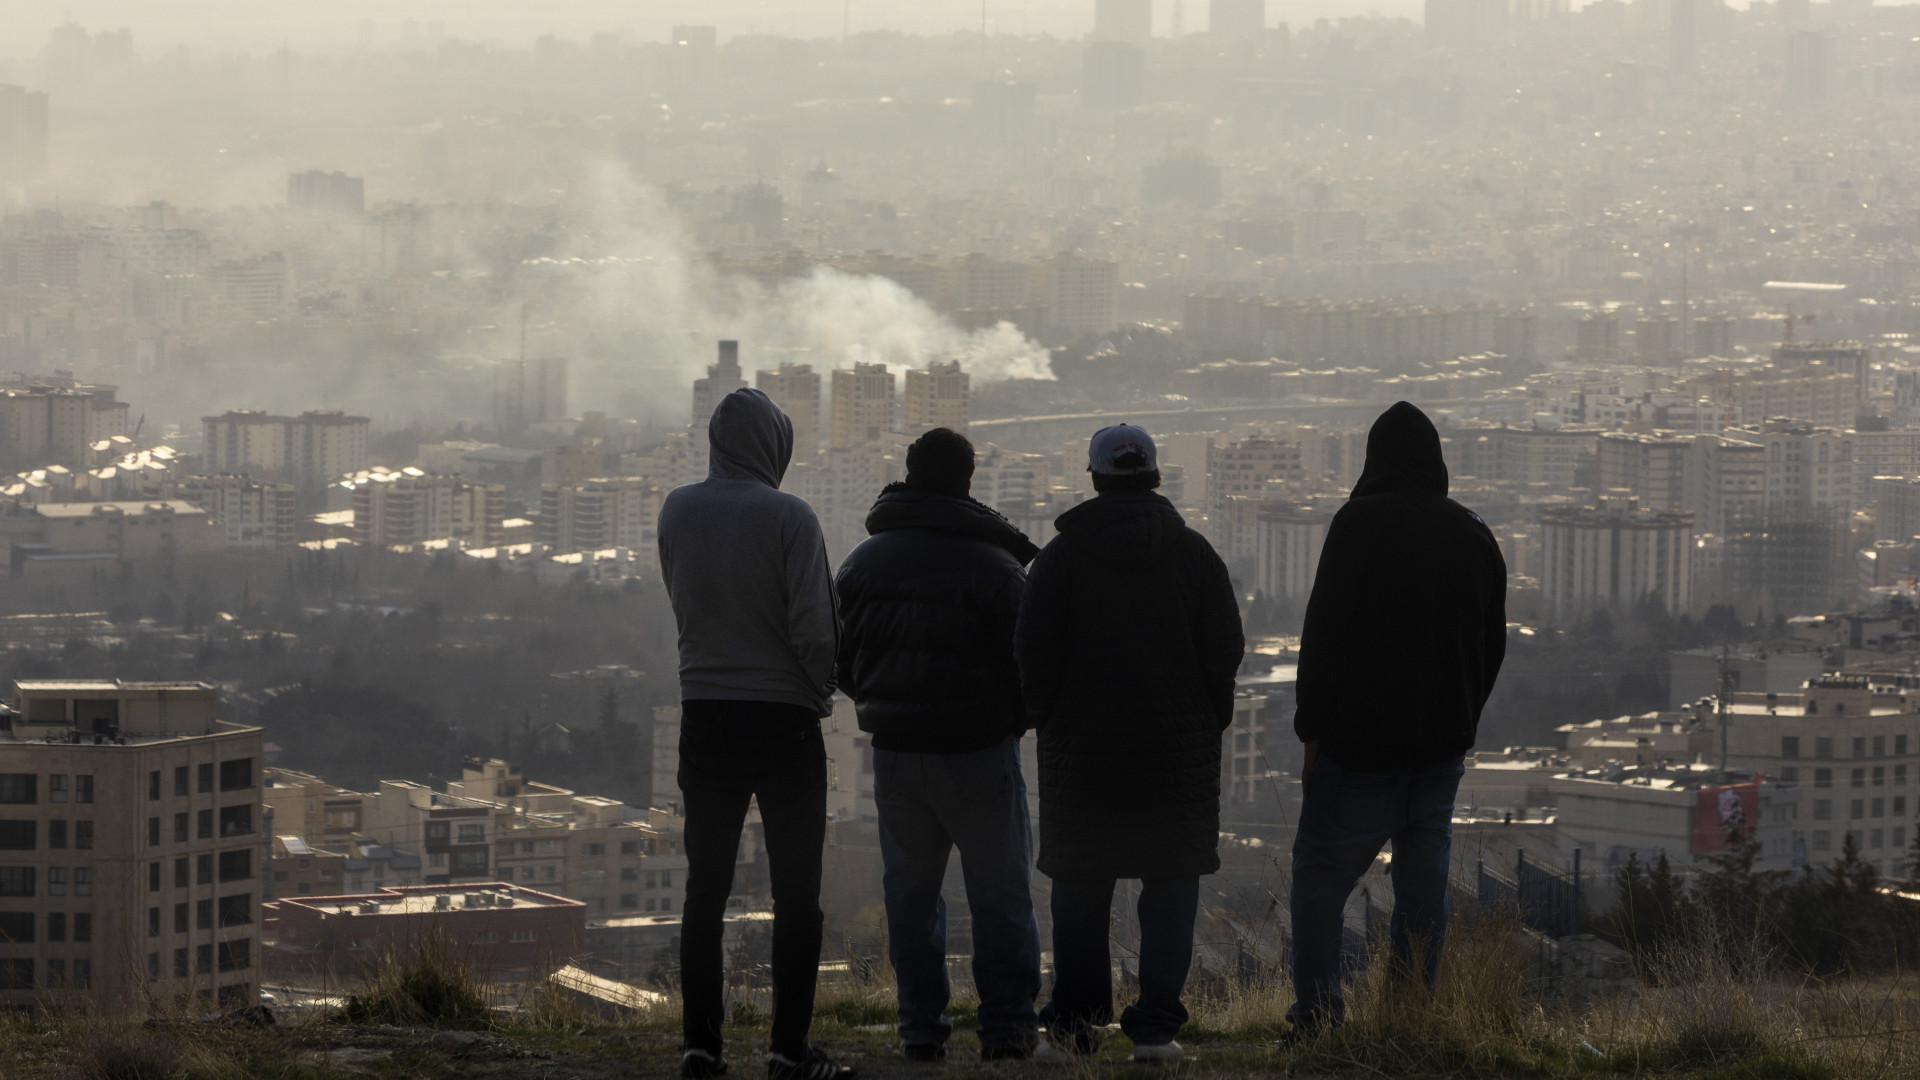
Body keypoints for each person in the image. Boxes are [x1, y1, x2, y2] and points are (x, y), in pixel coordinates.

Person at [1015, 423, 1245, 1065]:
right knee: (1170, 885)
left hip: (1083, 756)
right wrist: (1207, 719)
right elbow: (1225, 648)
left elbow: (1032, 650)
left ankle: (1073, 1029)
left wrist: (1049, 718)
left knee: (1080, 888)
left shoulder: (1060, 558)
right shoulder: (1195, 554)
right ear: (1154, 474)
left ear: (1094, 477)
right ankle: (1156, 1032)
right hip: (1176, 757)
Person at [1285, 400, 1507, 1041]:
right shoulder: (1473, 532)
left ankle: (1319, 1021)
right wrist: (1461, 719)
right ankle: (1409, 1019)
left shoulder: (1358, 524)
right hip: (1439, 754)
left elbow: (1324, 635)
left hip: (1358, 751)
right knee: (1422, 894)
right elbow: (1490, 647)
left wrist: (1312, 734)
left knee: (1321, 882)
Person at [657, 387, 855, 1080]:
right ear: (775, 446)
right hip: (782, 722)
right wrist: (820, 691)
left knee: (705, 892)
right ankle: (786, 1051)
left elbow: (684, 601)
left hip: (705, 714)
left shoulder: (677, 510)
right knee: (795, 894)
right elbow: (815, 630)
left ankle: (700, 1050)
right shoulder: (790, 516)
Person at [834, 428, 1044, 1064]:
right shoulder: (997, 567)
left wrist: (885, 704)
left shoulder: (860, 564)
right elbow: (1029, 668)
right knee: (1000, 895)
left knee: (911, 895)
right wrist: (1012, 720)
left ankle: (920, 1029)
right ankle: (1007, 1031)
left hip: (896, 755)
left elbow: (841, 662)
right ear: (968, 481)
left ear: (909, 473)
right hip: (978, 751)